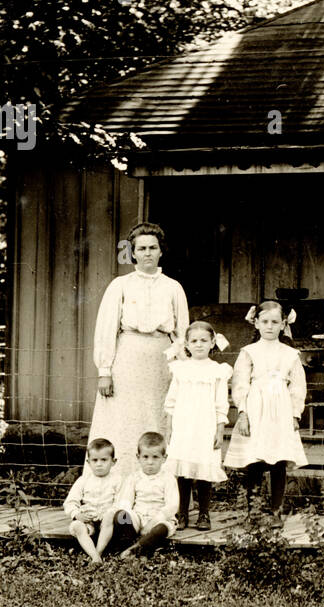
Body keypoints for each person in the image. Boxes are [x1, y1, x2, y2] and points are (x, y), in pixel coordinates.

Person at [88, 222, 189, 479]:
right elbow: (106, 328)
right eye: (141, 248)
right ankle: (117, 485)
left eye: (152, 248)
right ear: (133, 252)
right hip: (128, 359)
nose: (147, 254)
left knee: (157, 420)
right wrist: (105, 370)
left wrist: (181, 367)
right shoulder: (120, 285)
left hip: (161, 361)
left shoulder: (173, 287)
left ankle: (156, 488)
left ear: (160, 252)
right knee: (123, 422)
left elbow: (182, 332)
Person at [222, 301, 307, 528]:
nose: (270, 326)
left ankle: (276, 511)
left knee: (278, 460)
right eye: (265, 321)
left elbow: (298, 386)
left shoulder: (290, 354)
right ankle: (254, 512)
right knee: (255, 461)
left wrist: (295, 415)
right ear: (256, 323)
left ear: (283, 325)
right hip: (256, 409)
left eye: (275, 322)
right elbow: (239, 383)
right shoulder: (249, 352)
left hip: (280, 411)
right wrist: (243, 413)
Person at [165, 320, 231, 531]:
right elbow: (171, 402)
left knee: (203, 469)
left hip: (205, 426)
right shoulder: (180, 369)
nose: (199, 344)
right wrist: (169, 429)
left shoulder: (218, 371)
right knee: (182, 470)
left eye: (204, 340)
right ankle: (182, 512)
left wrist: (219, 430)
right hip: (184, 425)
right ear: (186, 344)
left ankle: (204, 513)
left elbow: (222, 404)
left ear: (213, 343)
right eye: (194, 341)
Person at [110, 431, 181, 558]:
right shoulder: (134, 477)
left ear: (164, 458)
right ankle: (130, 544)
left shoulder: (168, 479)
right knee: (120, 516)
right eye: (145, 457)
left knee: (161, 529)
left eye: (155, 457)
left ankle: (136, 548)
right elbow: (126, 501)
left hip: (159, 518)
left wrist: (154, 520)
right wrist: (128, 515)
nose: (150, 462)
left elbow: (172, 506)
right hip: (138, 516)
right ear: (138, 457)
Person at [63, 437, 124, 563]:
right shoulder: (83, 480)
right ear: (88, 462)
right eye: (95, 460)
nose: (99, 464)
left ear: (113, 461)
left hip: (107, 521)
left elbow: (120, 502)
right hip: (88, 519)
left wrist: (109, 512)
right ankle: (95, 556)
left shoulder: (118, 480)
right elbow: (70, 502)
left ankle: (99, 552)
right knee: (77, 526)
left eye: (104, 460)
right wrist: (77, 514)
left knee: (109, 517)